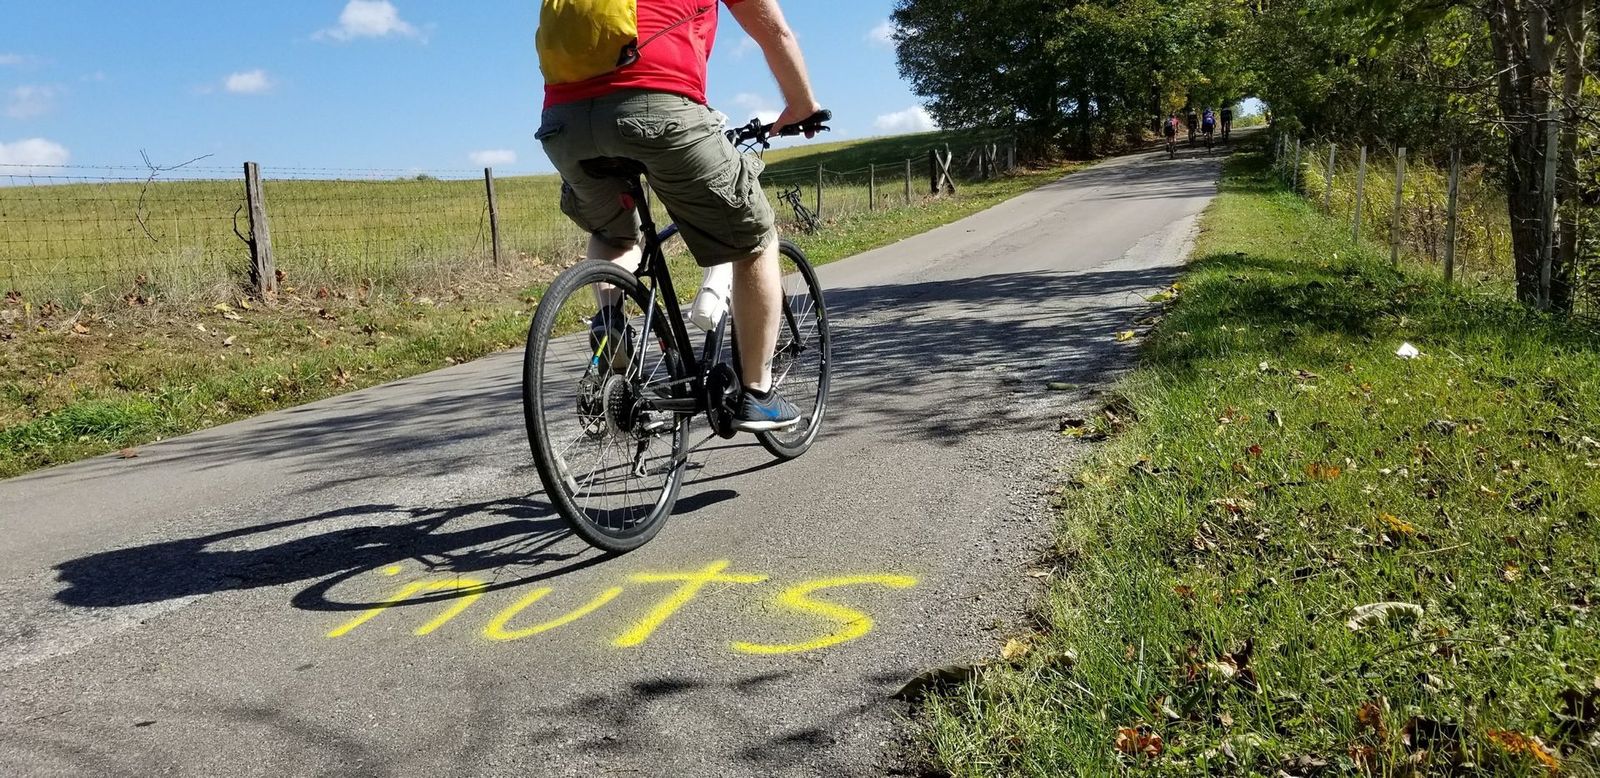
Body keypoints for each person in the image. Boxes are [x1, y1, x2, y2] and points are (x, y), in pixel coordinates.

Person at [535, 0, 822, 431]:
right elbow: (774, 32)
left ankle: (610, 321)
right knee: (755, 238)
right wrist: (801, 106)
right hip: (658, 107)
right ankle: (758, 394)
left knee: (614, 235)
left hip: (564, 124)